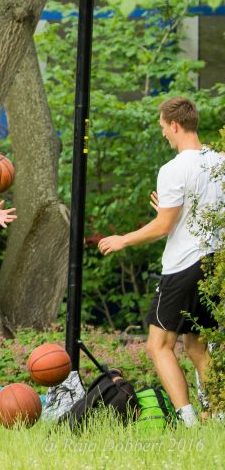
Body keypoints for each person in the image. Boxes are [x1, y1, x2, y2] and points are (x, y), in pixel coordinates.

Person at [98, 96, 224, 426]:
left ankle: (188, 420)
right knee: (197, 345)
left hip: (183, 267)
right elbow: (197, 212)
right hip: (213, 265)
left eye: (163, 127)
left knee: (158, 346)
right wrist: (169, 214)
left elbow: (164, 227)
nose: (163, 133)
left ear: (175, 125)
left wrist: (123, 239)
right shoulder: (219, 162)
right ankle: (218, 416)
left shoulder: (173, 169)